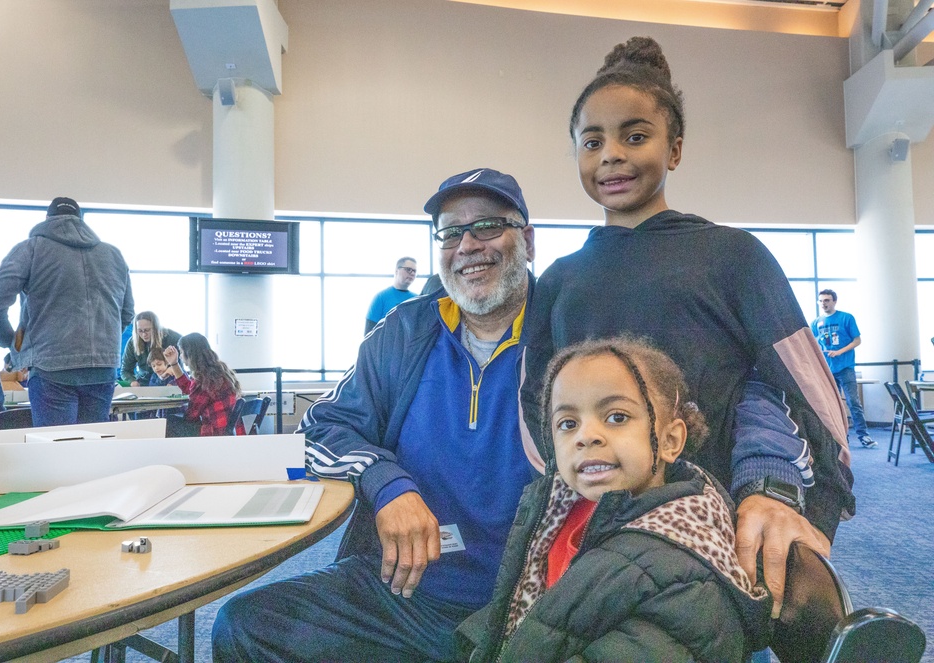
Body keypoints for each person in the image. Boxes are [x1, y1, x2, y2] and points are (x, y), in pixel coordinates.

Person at [519, 36, 855, 615]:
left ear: (674, 150)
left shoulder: (734, 256)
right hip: (594, 527)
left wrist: (804, 508)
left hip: (714, 530)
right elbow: (536, 407)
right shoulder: (557, 279)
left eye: (635, 135)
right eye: (592, 141)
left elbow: (813, 396)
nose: (611, 156)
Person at [212, 168, 538, 662]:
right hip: (404, 591)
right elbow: (319, 427)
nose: (468, 245)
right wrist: (387, 484)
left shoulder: (566, 330)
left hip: (530, 601)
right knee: (246, 626)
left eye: (488, 226)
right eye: (450, 232)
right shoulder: (405, 332)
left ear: (528, 241)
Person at [460, 337, 771, 661]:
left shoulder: (684, 571)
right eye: (568, 423)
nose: (586, 436)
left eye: (616, 417)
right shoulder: (561, 509)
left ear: (669, 440)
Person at [0, 197, 134, 427]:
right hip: (103, 368)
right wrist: (104, 340)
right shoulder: (113, 255)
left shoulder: (31, 249)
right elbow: (127, 312)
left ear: (48, 219)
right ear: (81, 221)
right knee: (94, 451)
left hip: (51, 367)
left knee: (54, 450)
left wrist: (11, 342)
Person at [812, 289, 875, 448]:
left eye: (827, 300)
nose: (824, 303)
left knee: (853, 402)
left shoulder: (846, 318)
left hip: (845, 367)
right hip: (827, 370)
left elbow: (857, 340)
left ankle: (863, 435)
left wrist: (839, 351)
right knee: (832, 404)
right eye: (821, 301)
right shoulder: (816, 323)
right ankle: (840, 437)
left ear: (834, 301)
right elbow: (815, 344)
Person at [162, 333, 240, 437]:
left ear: (189, 354)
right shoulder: (219, 372)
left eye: (181, 352)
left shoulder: (203, 380)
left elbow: (191, 416)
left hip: (211, 432)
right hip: (225, 429)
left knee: (169, 422)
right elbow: (190, 389)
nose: (180, 356)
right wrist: (174, 364)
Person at [121, 311, 181, 387]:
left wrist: (174, 368)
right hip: (145, 383)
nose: (144, 334)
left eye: (147, 330)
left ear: (156, 328)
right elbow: (125, 370)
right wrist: (132, 381)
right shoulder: (132, 342)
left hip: (171, 383)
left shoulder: (174, 338)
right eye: (140, 331)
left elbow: (182, 368)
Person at [364, 256, 418, 334]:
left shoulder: (417, 299)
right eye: (408, 269)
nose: (412, 273)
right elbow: (368, 334)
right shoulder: (381, 297)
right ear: (396, 271)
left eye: (414, 271)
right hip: (385, 345)